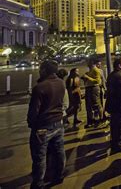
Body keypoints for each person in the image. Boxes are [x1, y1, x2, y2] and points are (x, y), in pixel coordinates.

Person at [27, 60, 66, 188]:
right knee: (59, 151)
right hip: (58, 123)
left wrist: (32, 124)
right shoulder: (61, 83)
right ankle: (59, 175)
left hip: (43, 126)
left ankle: (38, 183)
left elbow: (34, 111)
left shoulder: (39, 88)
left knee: (39, 156)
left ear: (44, 71)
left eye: (40, 69)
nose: (39, 71)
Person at [83, 58, 104, 128]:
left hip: (93, 88)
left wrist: (87, 77)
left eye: (87, 62)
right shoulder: (91, 70)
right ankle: (92, 121)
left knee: (97, 104)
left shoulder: (95, 70)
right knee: (89, 105)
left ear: (91, 62)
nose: (86, 64)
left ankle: (101, 119)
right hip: (89, 88)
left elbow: (97, 81)